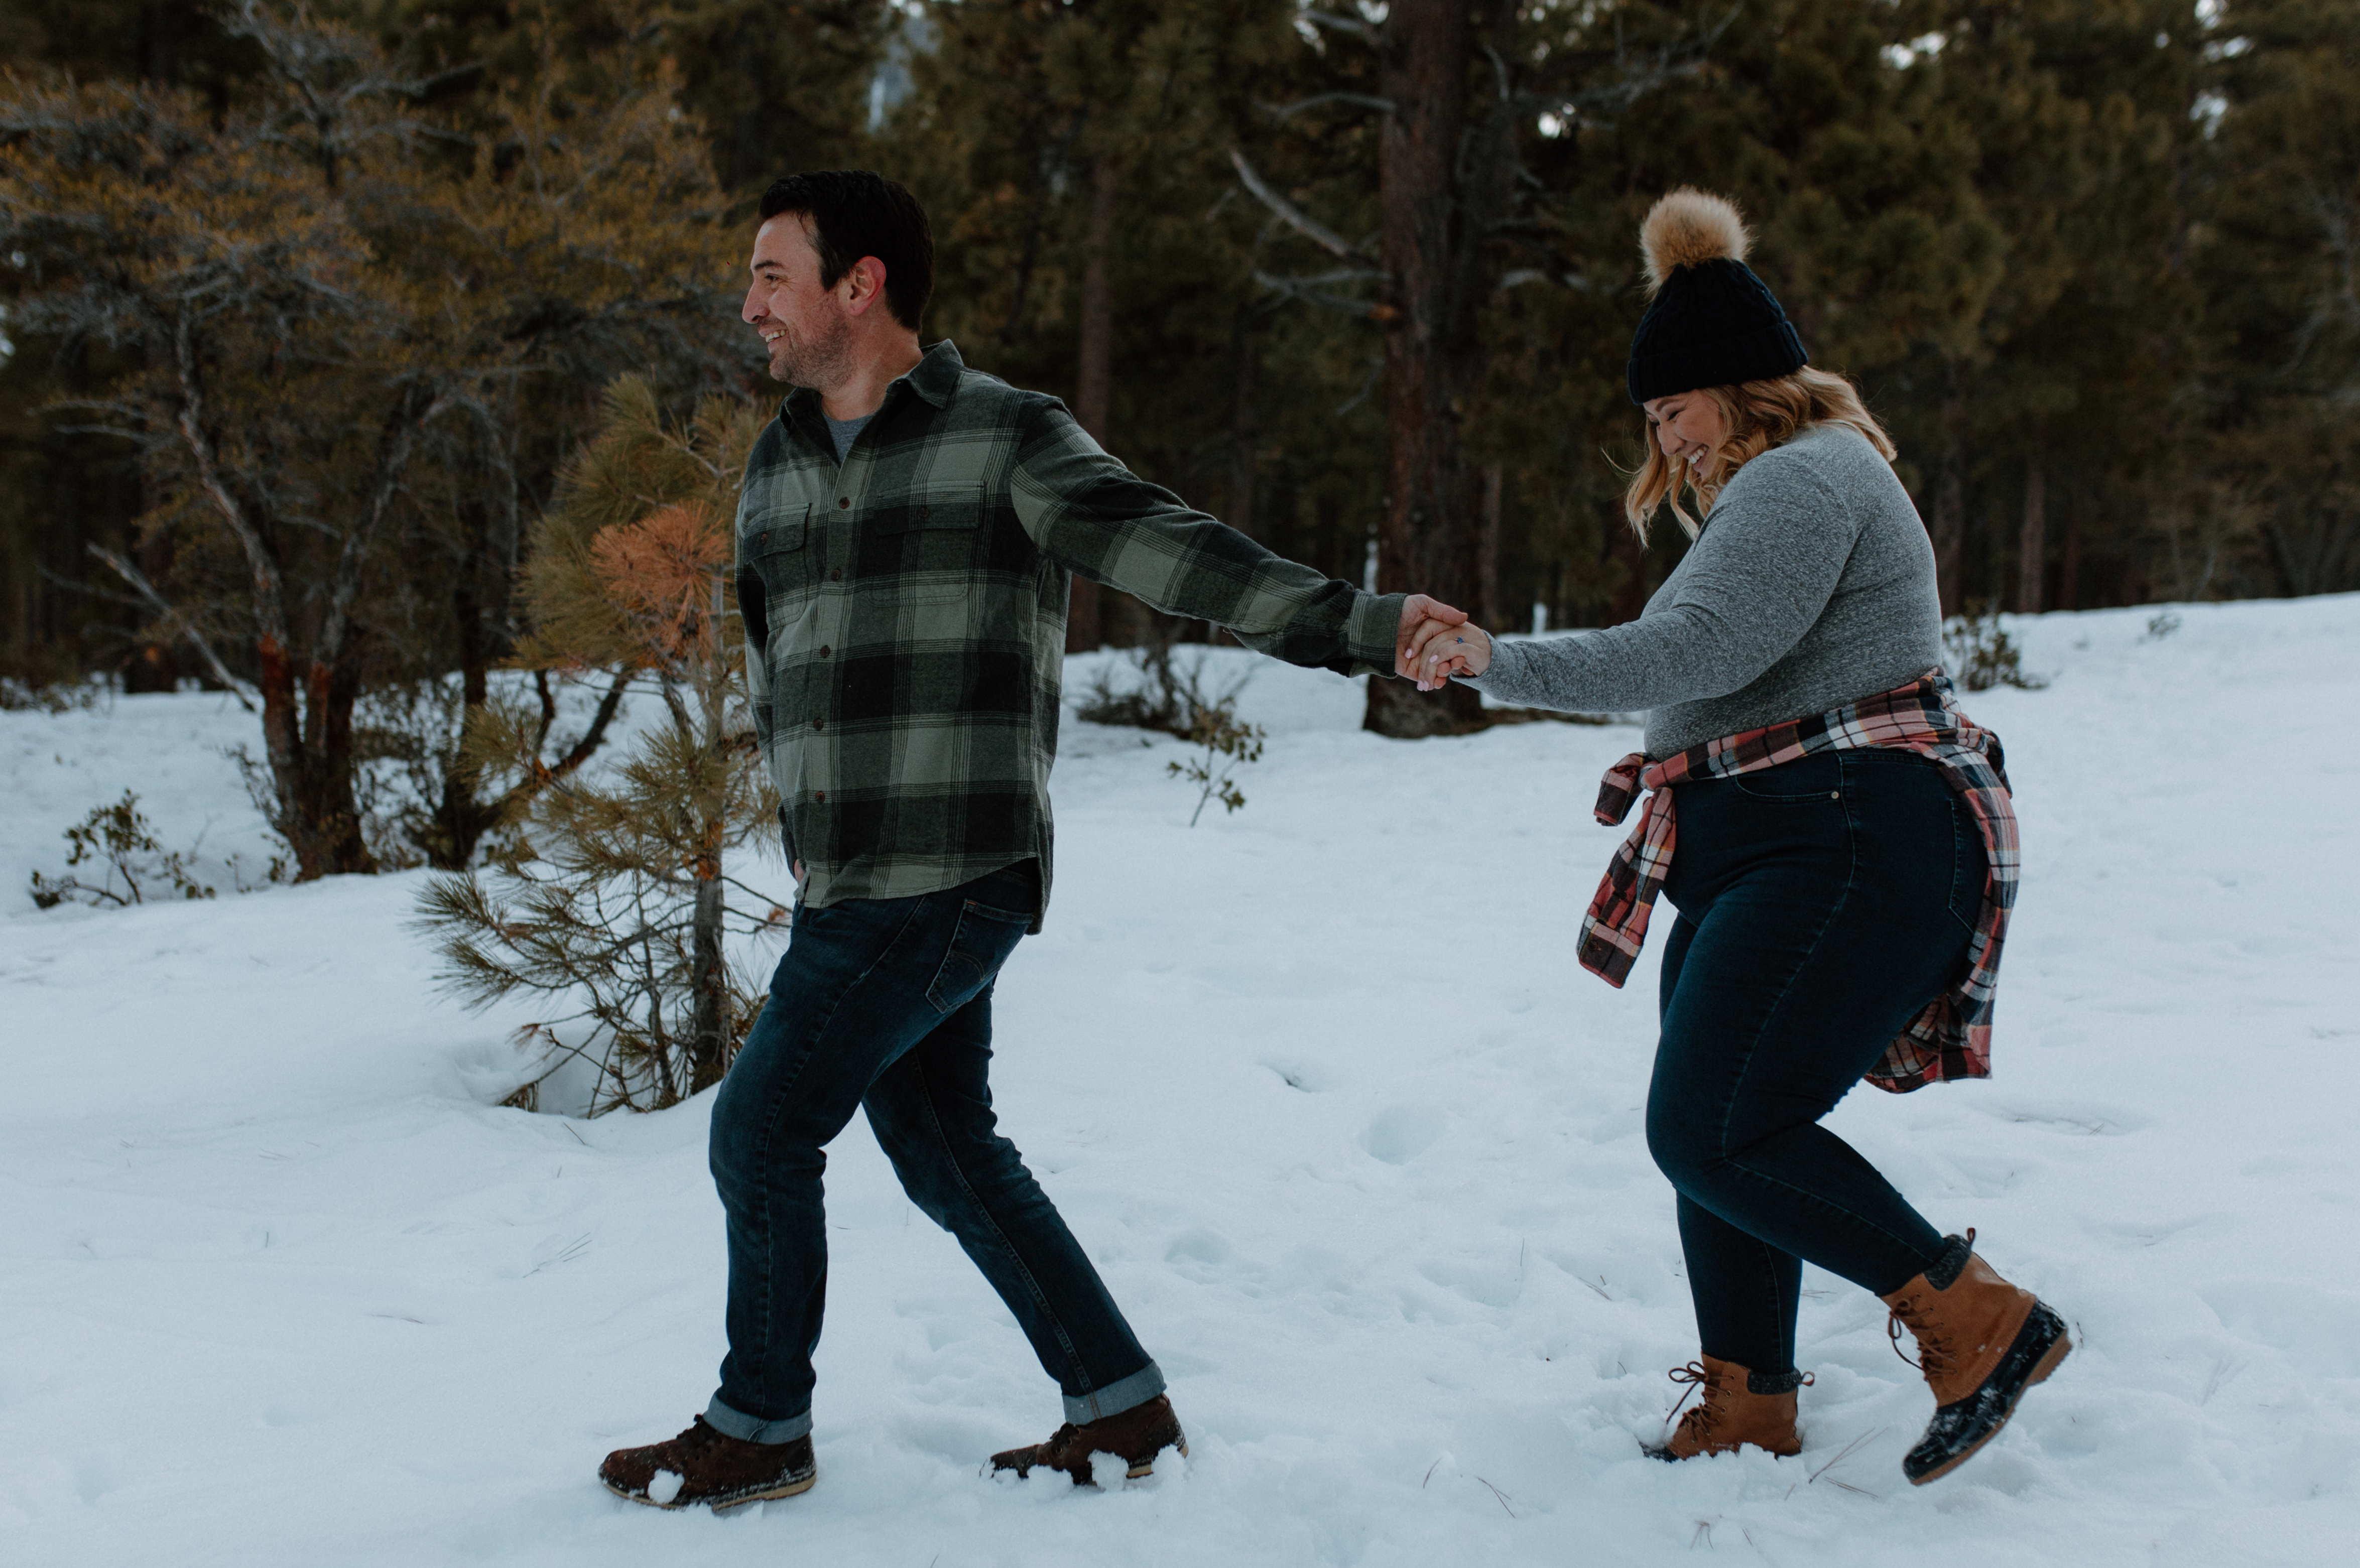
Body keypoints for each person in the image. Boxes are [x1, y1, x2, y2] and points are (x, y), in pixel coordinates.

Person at [598, 171, 1467, 1511]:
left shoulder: (1002, 434)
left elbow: (1172, 551)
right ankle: (1119, 1404)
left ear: (860, 284)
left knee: (759, 1132)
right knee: (946, 1147)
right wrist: (801, 833)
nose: (750, 304)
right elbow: (778, 669)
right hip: (851, 879)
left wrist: (1365, 625)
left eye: (773, 275)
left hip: (948, 868)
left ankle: (760, 1424)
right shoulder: (777, 463)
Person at [1407, 188, 2070, 1486]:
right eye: (1653, 420)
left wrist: (1496, 658)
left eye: (1676, 410)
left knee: (1709, 1126)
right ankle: (1748, 1396)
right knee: (1722, 1124)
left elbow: (1690, 649)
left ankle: (1978, 1318)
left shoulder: (1804, 475)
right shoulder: (1795, 484)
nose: (1667, 441)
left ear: (1739, 385)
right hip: (1789, 843)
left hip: (1847, 836)